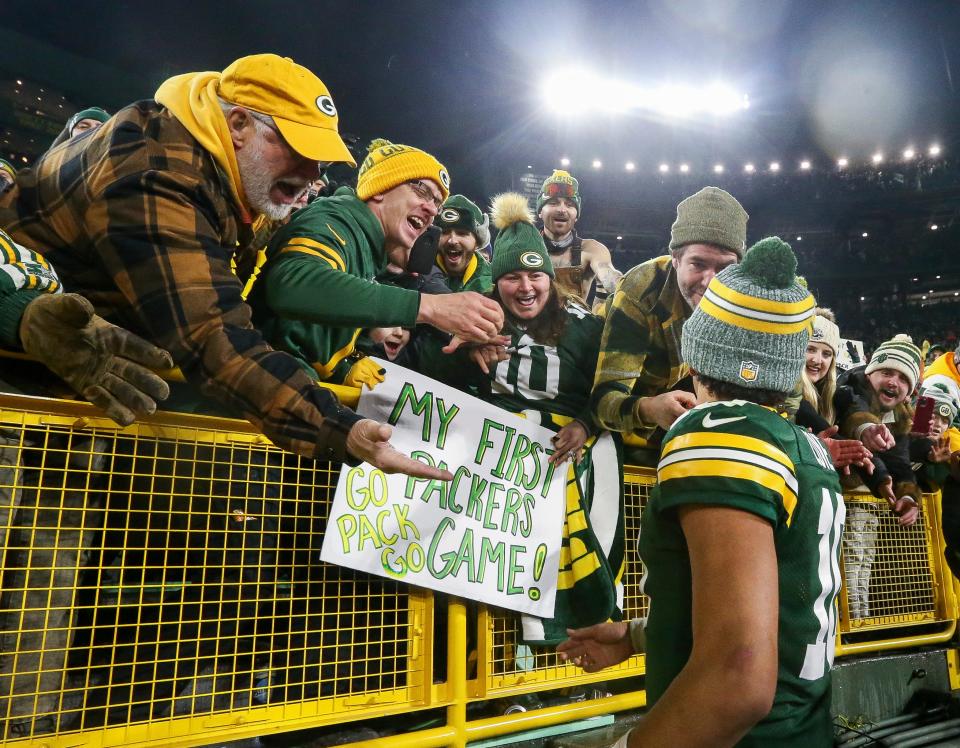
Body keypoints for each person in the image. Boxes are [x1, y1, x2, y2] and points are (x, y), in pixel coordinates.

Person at [0, 54, 448, 480]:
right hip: (22, 383)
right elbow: (212, 336)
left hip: (73, 385)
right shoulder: (159, 168)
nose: (313, 174)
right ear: (238, 125)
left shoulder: (216, 173)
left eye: (320, 160)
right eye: (298, 149)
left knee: (56, 549)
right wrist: (339, 428)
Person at [559, 237, 844, 747]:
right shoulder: (801, 443)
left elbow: (738, 676)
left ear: (700, 349)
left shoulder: (718, 432)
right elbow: (774, 607)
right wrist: (641, 634)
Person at [426, 192, 623, 646]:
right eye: (512, 276)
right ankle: (497, 670)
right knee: (487, 572)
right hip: (494, 467)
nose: (527, 287)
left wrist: (587, 423)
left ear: (552, 279)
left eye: (537, 274)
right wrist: (463, 352)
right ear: (497, 282)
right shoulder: (472, 314)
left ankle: (572, 660)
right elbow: (433, 379)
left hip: (565, 458)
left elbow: (615, 388)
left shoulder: (584, 326)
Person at [246, 139, 503, 389]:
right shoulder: (337, 219)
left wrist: (343, 369)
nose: (432, 210)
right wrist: (430, 306)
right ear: (380, 188)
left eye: (437, 202)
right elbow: (293, 286)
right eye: (422, 191)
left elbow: (309, 333)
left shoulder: (371, 248)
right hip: (253, 388)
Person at [590, 186, 747, 441]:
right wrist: (650, 409)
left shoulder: (743, 296)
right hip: (606, 409)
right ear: (675, 258)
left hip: (673, 388)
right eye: (698, 264)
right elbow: (602, 403)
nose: (711, 282)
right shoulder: (640, 293)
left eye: (725, 268)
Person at [835, 334, 923, 619]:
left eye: (902, 378)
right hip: (840, 501)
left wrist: (909, 496)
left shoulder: (902, 415)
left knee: (862, 565)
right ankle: (844, 628)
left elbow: (901, 463)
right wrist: (867, 431)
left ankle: (858, 628)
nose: (892, 382)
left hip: (867, 503)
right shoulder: (850, 386)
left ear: (909, 391)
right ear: (871, 372)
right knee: (846, 565)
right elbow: (854, 414)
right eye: (886, 372)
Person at [536, 170, 621, 310]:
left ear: (576, 215)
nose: (562, 210)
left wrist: (625, 285)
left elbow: (608, 274)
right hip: (531, 330)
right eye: (553, 203)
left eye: (569, 205)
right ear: (540, 211)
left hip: (574, 329)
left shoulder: (592, 249)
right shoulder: (524, 248)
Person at [433, 194, 492, 293]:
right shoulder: (416, 273)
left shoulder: (494, 285)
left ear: (477, 241)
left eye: (462, 233)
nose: (452, 240)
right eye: (445, 232)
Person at [797, 308, 840, 432]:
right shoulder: (785, 395)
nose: (817, 360)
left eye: (826, 354)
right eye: (810, 349)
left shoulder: (831, 397)